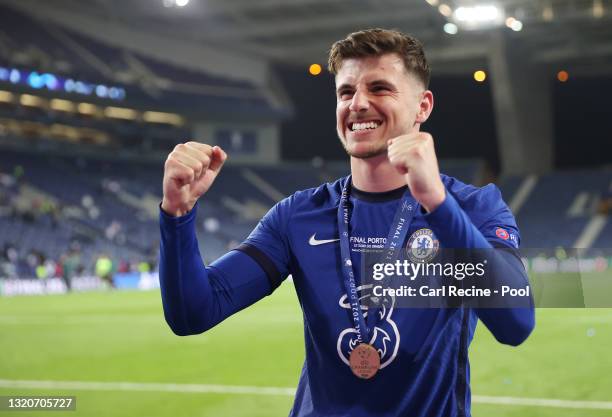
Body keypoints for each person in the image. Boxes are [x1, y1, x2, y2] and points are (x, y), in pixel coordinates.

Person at [159, 28, 535, 417]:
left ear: (422, 107)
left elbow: (516, 323)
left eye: (380, 88)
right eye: (346, 92)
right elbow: (194, 313)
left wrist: (435, 202)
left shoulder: (473, 208)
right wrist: (177, 214)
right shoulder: (298, 215)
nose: (357, 104)